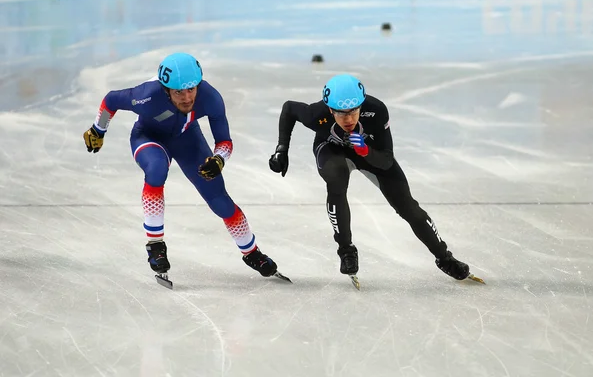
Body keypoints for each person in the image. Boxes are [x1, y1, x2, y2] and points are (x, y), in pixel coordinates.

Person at [83, 52, 281, 279]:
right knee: (157, 169)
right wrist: (98, 129)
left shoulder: (210, 97)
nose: (187, 98)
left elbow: (224, 141)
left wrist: (218, 160)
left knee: (221, 202)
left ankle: (251, 252)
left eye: (191, 90)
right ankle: (155, 245)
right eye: (179, 92)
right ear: (166, 89)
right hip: (149, 137)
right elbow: (110, 100)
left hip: (188, 140)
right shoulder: (146, 96)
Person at [268, 74, 474, 281]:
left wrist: (366, 151)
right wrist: (282, 149)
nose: (348, 119)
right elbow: (289, 109)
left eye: (354, 111)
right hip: (332, 151)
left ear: (361, 105)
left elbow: (386, 160)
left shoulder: (377, 110)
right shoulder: (316, 114)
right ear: (329, 109)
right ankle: (346, 250)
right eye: (341, 114)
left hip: (371, 153)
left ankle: (444, 258)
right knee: (336, 181)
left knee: (409, 208)